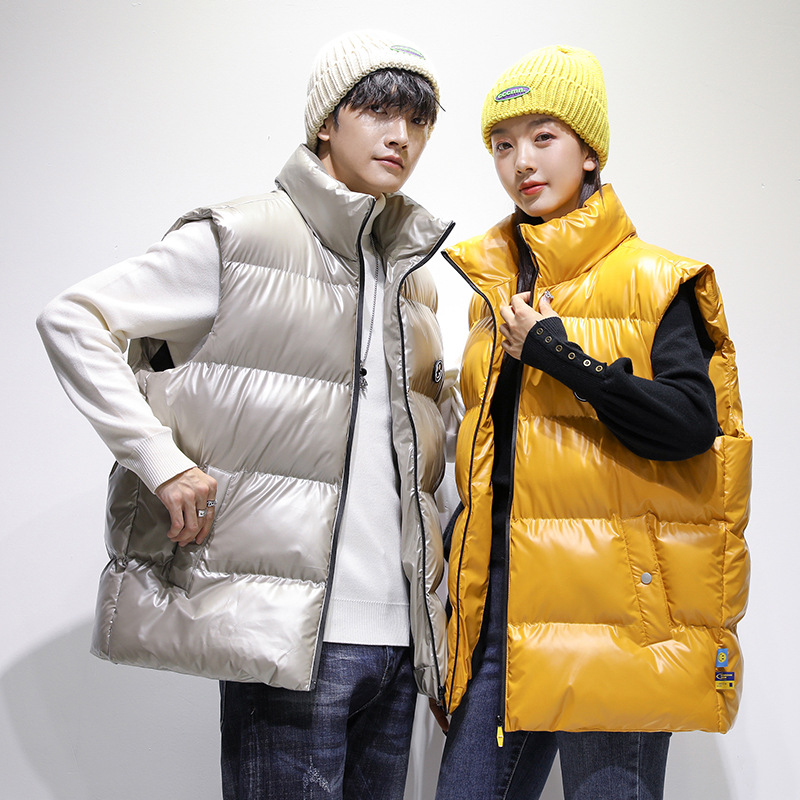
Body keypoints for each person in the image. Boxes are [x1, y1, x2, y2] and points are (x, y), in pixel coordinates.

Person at [37, 30, 454, 800]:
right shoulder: (242, 240)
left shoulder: (416, 280)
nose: (401, 135)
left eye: (418, 120)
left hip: (398, 642)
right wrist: (160, 461)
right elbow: (73, 319)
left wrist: (436, 632)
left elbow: (422, 467)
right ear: (326, 122)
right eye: (378, 112)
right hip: (288, 636)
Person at [435, 45, 751, 800]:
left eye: (543, 137)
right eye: (502, 145)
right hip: (504, 613)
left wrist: (560, 355)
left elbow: (690, 425)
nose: (521, 162)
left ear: (589, 150)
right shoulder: (490, 293)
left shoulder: (656, 279)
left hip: (618, 620)